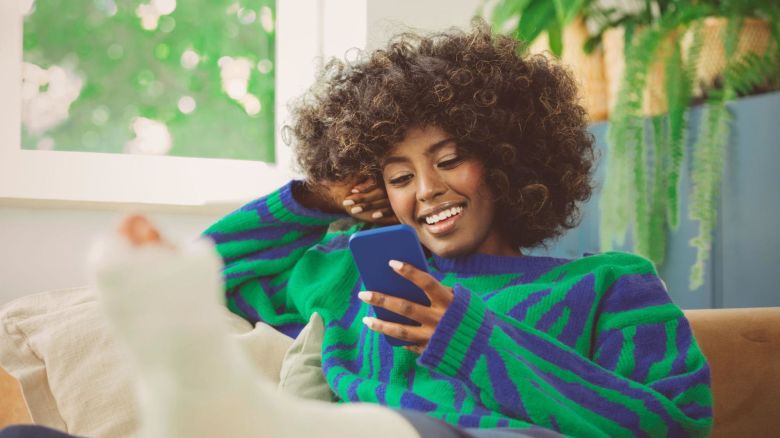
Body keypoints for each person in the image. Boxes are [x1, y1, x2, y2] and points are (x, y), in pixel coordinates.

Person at [0, 18, 712, 438]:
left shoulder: (609, 285)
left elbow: (671, 425)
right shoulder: (350, 275)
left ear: (504, 157)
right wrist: (316, 200)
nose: (425, 190)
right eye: (398, 175)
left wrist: (468, 336)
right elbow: (201, 273)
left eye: (449, 159)